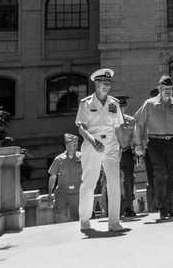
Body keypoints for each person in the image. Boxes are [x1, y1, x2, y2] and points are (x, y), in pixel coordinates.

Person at [75, 68, 126, 233]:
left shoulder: (114, 104)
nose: (107, 85)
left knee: (114, 182)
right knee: (89, 182)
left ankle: (114, 222)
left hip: (111, 144)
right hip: (92, 143)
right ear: (96, 83)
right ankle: (84, 220)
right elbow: (81, 128)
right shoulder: (86, 103)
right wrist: (93, 141)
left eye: (109, 82)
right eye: (104, 82)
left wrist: (120, 146)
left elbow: (118, 127)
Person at [133, 75, 173, 219]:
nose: (168, 91)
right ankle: (162, 207)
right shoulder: (149, 104)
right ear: (159, 89)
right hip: (155, 143)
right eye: (165, 88)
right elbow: (139, 123)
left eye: (170, 88)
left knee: (172, 175)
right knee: (160, 174)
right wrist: (138, 144)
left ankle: (170, 207)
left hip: (172, 142)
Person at [46, 133, 81, 222]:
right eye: (69, 145)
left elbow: (87, 176)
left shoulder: (82, 158)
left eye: (74, 145)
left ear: (77, 145)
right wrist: (49, 194)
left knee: (76, 218)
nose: (72, 148)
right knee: (61, 215)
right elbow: (53, 178)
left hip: (77, 193)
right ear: (66, 145)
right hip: (62, 192)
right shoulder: (58, 159)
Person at [114, 95, 137, 218]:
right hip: (113, 153)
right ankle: (116, 209)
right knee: (114, 180)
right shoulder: (110, 121)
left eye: (122, 108)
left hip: (127, 152)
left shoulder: (131, 121)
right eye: (119, 108)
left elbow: (135, 137)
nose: (121, 110)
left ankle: (128, 207)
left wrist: (137, 152)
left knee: (128, 179)